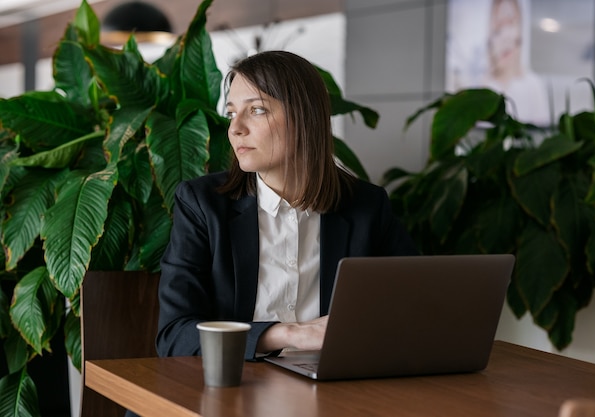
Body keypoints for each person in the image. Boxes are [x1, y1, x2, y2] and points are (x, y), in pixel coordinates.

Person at [155, 50, 418, 362]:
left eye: (256, 110)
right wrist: (287, 334)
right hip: (229, 386)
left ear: (304, 117)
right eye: (231, 113)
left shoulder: (367, 207)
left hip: (329, 391)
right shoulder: (202, 204)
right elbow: (175, 336)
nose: (235, 128)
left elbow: (414, 308)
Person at [482, 0, 550, 125]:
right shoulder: (483, 86)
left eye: (511, 24)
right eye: (499, 29)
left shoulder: (533, 85)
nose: (506, 37)